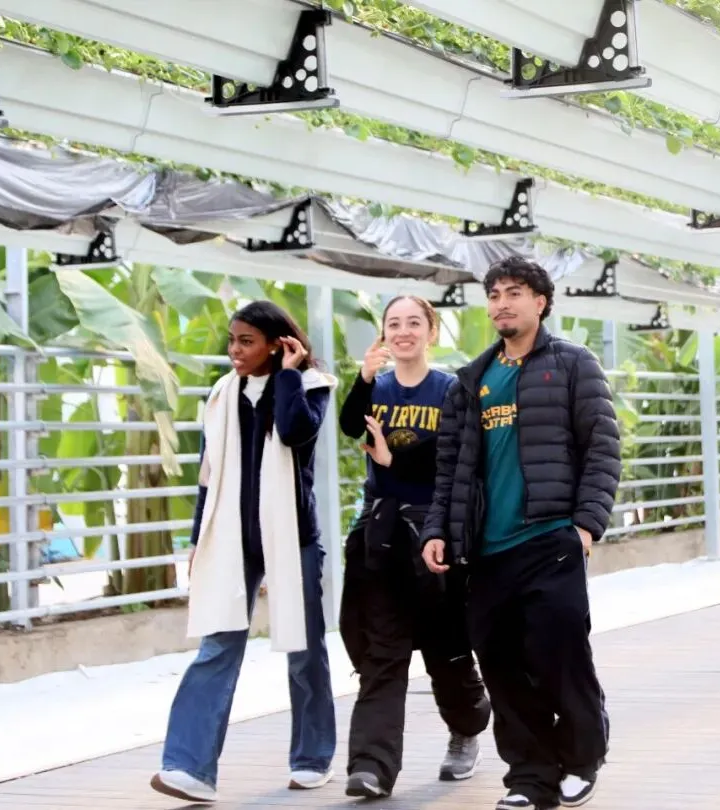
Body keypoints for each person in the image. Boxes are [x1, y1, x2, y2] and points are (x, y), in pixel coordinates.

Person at [421, 256, 620, 810]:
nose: (502, 303)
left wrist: (586, 527)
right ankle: (530, 778)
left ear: (540, 302)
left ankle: (581, 757)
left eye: (514, 292)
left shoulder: (574, 364)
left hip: (551, 538)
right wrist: (437, 530)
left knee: (560, 654)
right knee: (502, 665)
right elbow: (450, 470)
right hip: (487, 552)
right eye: (494, 295)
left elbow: (602, 448)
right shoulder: (471, 381)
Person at [151, 301, 339, 803]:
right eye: (232, 340)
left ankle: (312, 757)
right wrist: (198, 541)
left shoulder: (310, 386)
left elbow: (296, 433)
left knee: (303, 650)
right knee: (216, 646)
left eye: (247, 342)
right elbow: (207, 478)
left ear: (277, 345)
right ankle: (188, 768)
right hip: (231, 538)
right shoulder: (220, 395)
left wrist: (289, 375)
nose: (234, 350)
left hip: (291, 537)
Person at [337, 295, 491, 799]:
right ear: (384, 333)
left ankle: (467, 728)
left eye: (413, 323)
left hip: (434, 532)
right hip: (382, 535)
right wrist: (363, 378)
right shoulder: (376, 387)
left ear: (432, 331)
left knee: (446, 648)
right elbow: (349, 425)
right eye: (393, 324)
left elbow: (453, 460)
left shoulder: (450, 389)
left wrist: (393, 462)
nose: (403, 332)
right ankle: (371, 766)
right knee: (383, 650)